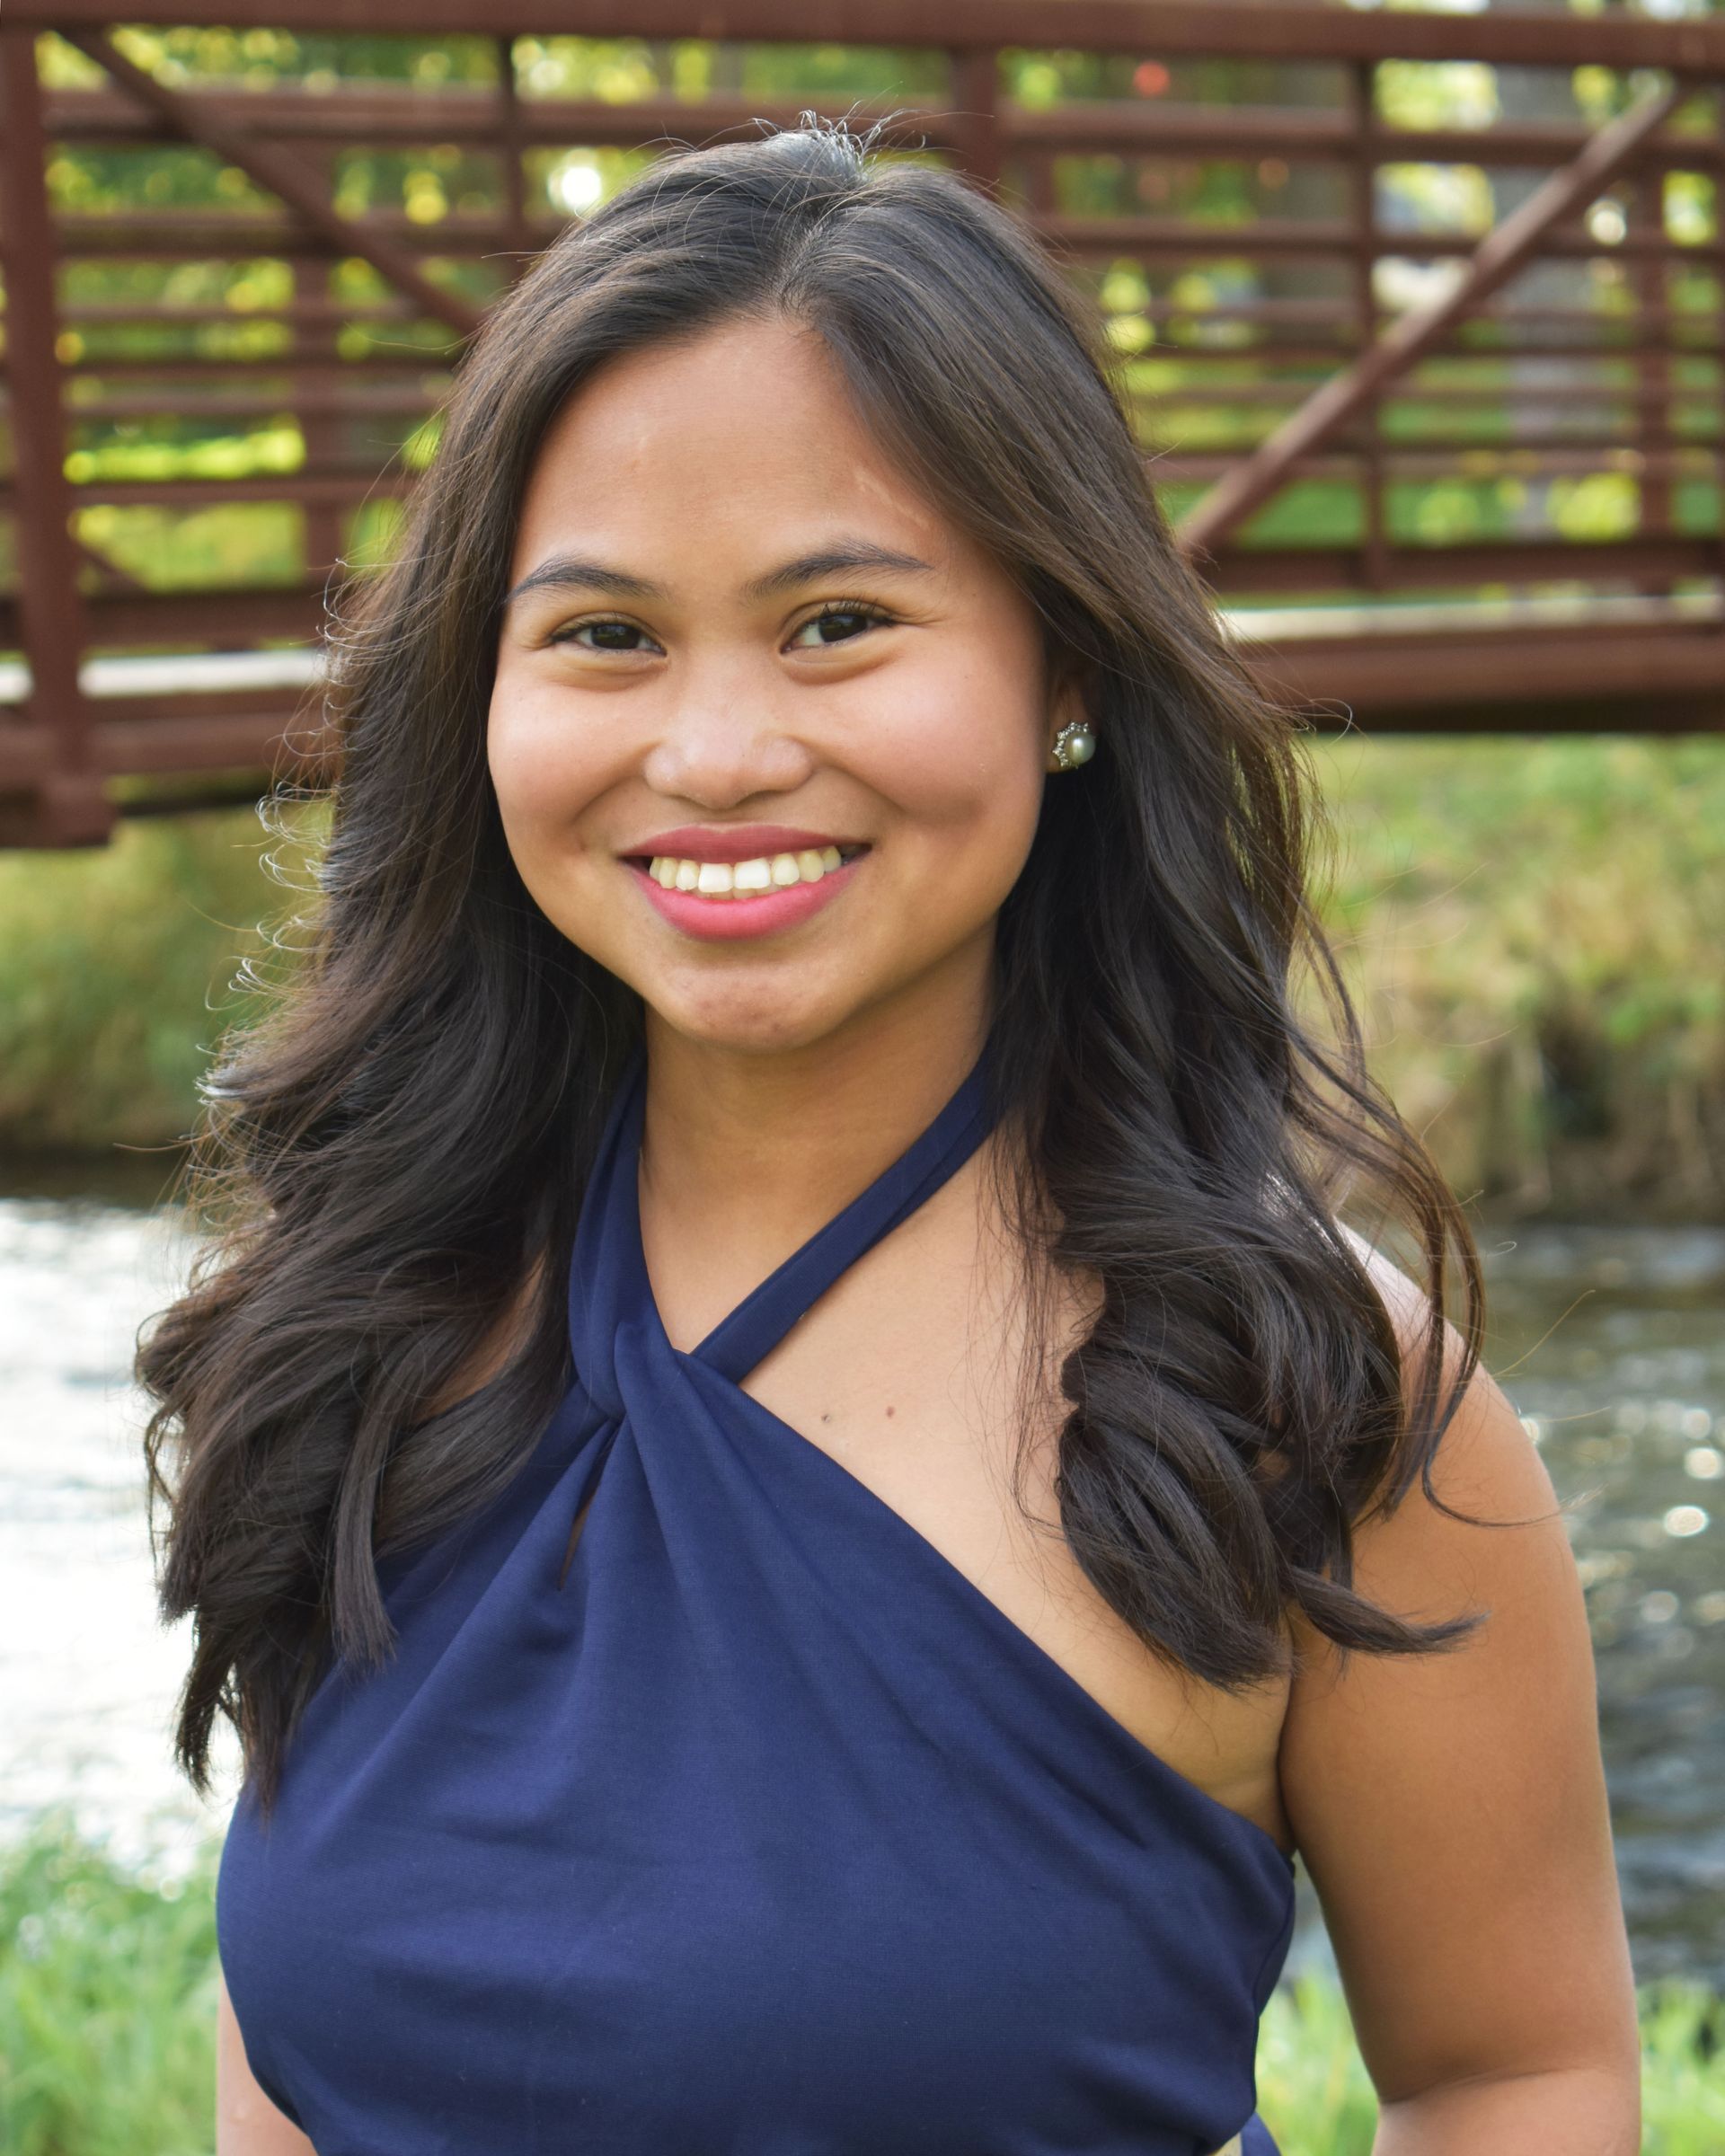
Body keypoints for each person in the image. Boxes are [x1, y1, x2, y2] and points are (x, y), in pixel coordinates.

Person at [139, 115, 1638, 2156]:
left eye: (839, 621)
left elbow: (1512, 2075)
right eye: (603, 635)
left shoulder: (1305, 1400)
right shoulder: (365, 1312)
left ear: (1069, 666)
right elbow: (300, 2051)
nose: (721, 751)